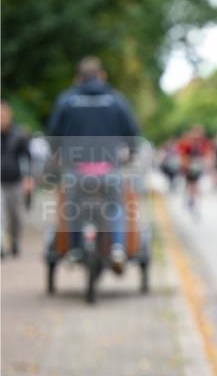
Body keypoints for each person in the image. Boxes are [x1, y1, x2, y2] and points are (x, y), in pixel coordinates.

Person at [48, 56, 140, 272]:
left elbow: (53, 134)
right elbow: (132, 132)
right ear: (101, 76)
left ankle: (74, 248)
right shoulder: (116, 99)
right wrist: (131, 153)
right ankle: (117, 247)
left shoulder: (66, 100)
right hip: (109, 168)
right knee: (115, 206)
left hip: (76, 170)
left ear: (78, 78)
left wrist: (56, 155)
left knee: (72, 208)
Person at [0, 100, 32, 258]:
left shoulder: (19, 135)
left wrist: (28, 178)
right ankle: (2, 244)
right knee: (1, 214)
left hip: (15, 181)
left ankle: (14, 240)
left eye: (3, 115)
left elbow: (27, 158)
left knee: (15, 215)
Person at [177, 124, 212, 215]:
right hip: (189, 167)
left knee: (194, 185)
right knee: (190, 184)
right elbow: (183, 155)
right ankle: (189, 199)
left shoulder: (203, 142)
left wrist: (206, 163)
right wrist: (185, 165)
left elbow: (207, 153)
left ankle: (193, 201)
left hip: (197, 167)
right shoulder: (188, 142)